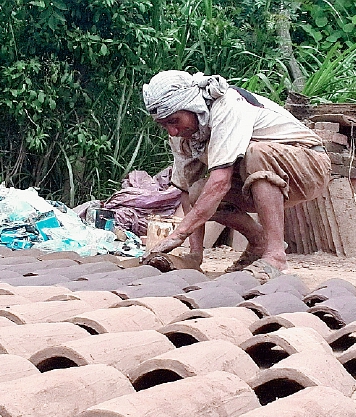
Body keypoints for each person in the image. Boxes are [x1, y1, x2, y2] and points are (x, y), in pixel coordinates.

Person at [140, 70, 329, 279]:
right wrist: (194, 256)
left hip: (310, 165)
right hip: (258, 177)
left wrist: (178, 234)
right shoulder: (184, 135)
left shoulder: (227, 105)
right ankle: (259, 241)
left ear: (191, 106)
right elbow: (187, 191)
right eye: (164, 124)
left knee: (256, 154)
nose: (172, 131)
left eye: (175, 121)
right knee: (197, 192)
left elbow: (220, 182)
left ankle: (276, 257)